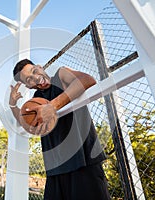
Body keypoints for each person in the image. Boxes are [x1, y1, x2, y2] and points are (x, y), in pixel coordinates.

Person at [9, 58, 111, 200]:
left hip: (83, 162)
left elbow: (87, 80)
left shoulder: (61, 75)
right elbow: (23, 122)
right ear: (29, 86)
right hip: (55, 169)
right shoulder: (36, 99)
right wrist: (13, 105)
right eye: (29, 79)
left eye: (34, 71)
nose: (36, 78)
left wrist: (52, 107)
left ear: (40, 66)